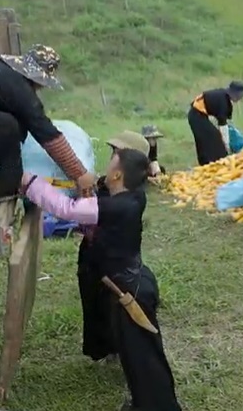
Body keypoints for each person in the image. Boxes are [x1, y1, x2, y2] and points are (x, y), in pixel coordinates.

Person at [22, 148, 182, 411]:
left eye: (111, 163)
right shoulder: (132, 196)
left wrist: (29, 183)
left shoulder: (117, 206)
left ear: (118, 174)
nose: (106, 167)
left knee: (144, 358)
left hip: (129, 293)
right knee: (136, 355)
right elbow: (97, 199)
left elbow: (67, 209)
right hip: (129, 282)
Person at [0, 44, 94, 199]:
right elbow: (46, 132)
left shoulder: (3, 74)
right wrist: (79, 174)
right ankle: (5, 195)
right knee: (8, 128)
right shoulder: (19, 88)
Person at [78, 130, 151, 364]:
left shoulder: (129, 200)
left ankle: (119, 350)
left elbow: (87, 210)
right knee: (94, 303)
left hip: (112, 263)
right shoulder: (111, 187)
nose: (111, 159)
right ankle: (104, 348)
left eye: (115, 155)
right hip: (94, 257)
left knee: (112, 307)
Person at [187, 81, 243, 165]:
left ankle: (207, 162)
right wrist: (226, 145)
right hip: (196, 115)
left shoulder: (223, 98)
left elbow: (224, 121)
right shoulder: (223, 102)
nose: (239, 99)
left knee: (207, 138)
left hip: (198, 115)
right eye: (240, 96)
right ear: (234, 94)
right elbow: (223, 126)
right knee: (213, 138)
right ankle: (216, 162)